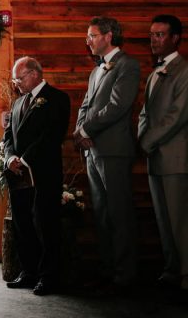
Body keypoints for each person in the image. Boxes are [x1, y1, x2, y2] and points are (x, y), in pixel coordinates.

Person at [74, 16, 140, 293]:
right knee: (101, 213)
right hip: (93, 151)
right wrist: (79, 128)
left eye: (92, 35)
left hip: (114, 150)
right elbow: (86, 105)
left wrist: (86, 128)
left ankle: (125, 275)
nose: (88, 40)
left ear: (109, 35)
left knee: (118, 213)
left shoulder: (127, 65)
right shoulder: (96, 70)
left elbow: (117, 106)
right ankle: (107, 270)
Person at [2, 57, 70, 296]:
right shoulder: (18, 103)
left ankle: (48, 276)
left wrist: (26, 159)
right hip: (18, 174)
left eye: (19, 78)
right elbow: (8, 136)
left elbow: (52, 135)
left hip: (43, 172)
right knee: (23, 224)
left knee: (46, 223)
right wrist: (10, 158)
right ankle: (28, 271)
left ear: (34, 74)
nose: (16, 83)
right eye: (15, 79)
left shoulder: (58, 98)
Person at [138, 15, 188, 292]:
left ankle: (186, 276)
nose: (154, 40)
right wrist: (141, 136)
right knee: (163, 220)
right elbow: (145, 112)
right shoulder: (155, 72)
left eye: (160, 35)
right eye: (152, 35)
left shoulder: (184, 71)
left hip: (176, 157)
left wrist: (148, 141)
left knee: (180, 221)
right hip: (155, 156)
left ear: (175, 38)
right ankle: (171, 271)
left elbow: (177, 115)